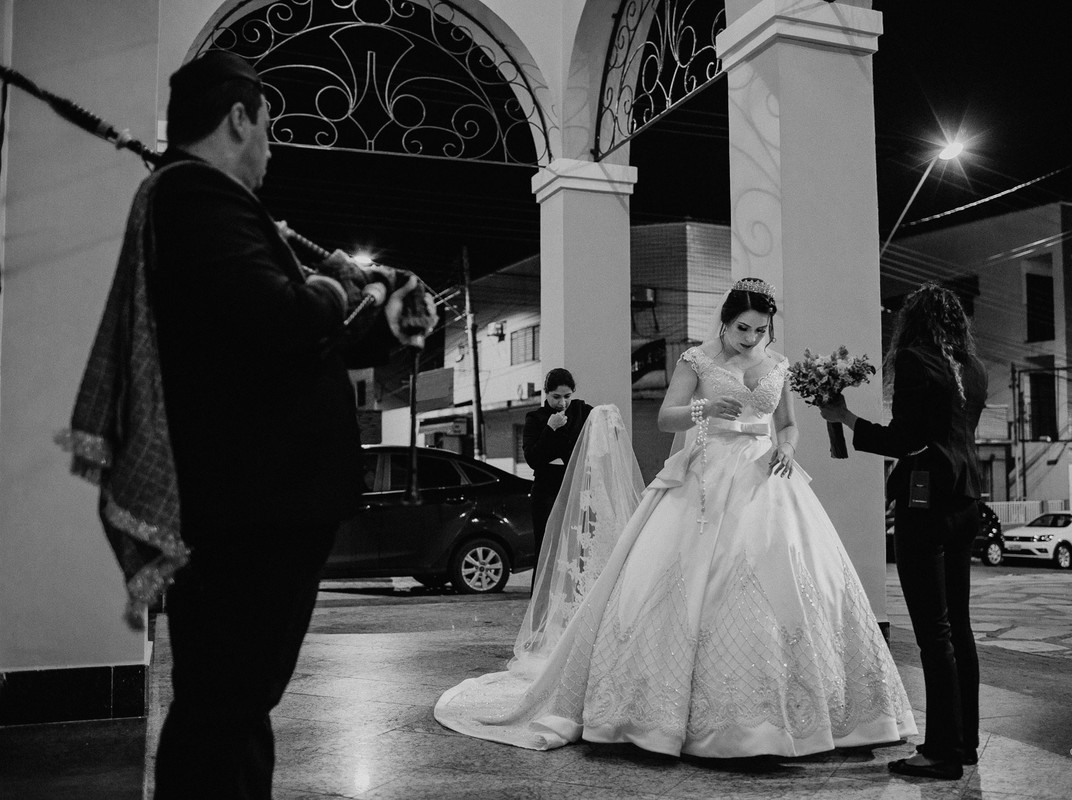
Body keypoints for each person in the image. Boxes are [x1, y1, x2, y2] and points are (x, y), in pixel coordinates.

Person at [59, 52, 436, 799]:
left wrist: (393, 319)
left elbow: (303, 340)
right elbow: (283, 317)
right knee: (225, 706)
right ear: (240, 117)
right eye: (270, 127)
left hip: (261, 504)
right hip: (251, 507)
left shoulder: (208, 205)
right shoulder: (196, 199)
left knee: (234, 704)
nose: (272, 147)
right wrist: (334, 283)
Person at [436, 278, 916, 759]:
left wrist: (786, 449)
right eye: (742, 328)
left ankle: (802, 716)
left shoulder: (778, 365)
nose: (750, 338)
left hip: (768, 478)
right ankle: (670, 714)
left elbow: (787, 424)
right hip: (706, 476)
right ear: (724, 322)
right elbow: (668, 417)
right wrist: (704, 408)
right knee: (685, 580)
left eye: (760, 330)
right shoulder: (696, 359)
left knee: (794, 577)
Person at [820, 282, 987, 780]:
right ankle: (965, 742)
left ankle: (939, 752)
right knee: (959, 626)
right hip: (967, 501)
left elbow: (905, 438)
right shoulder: (975, 369)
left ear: (912, 322)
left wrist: (844, 416)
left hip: (928, 504)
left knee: (933, 634)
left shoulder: (915, 360)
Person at [522, 368, 593, 577]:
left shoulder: (583, 411)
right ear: (546, 393)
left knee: (577, 548)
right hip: (547, 493)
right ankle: (543, 606)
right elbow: (533, 460)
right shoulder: (535, 418)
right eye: (556, 397)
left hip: (577, 488)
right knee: (547, 551)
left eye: (567, 396)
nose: (562, 403)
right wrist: (549, 429)